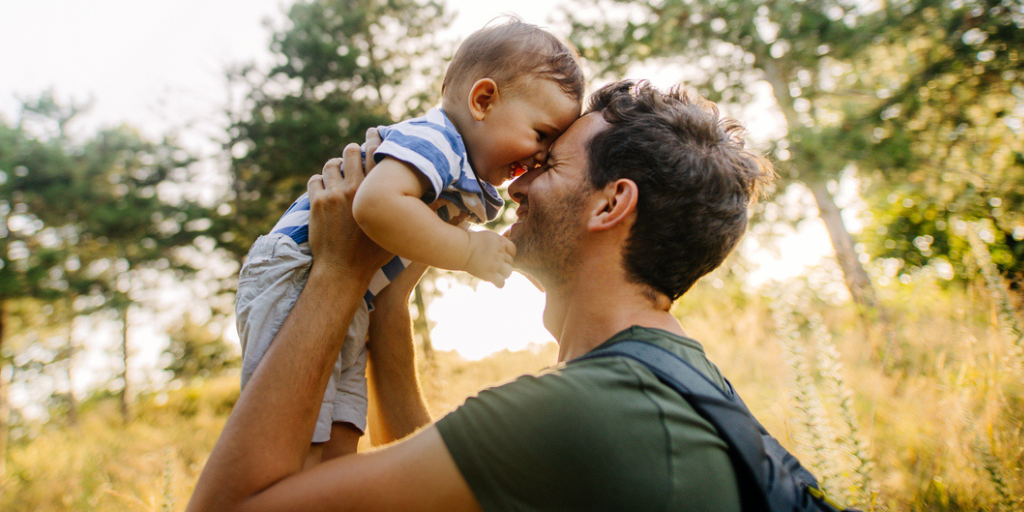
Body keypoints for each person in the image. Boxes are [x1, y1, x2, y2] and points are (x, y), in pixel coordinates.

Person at [188, 79, 775, 512]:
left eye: (546, 164)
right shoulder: (684, 382)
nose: (515, 183)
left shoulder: (577, 410)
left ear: (610, 204)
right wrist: (386, 298)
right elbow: (437, 478)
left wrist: (338, 272)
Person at [234, 17, 584, 462]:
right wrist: (468, 249)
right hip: (296, 272)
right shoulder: (435, 140)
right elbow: (375, 204)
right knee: (292, 437)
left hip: (352, 294)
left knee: (342, 434)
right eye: (541, 135)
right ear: (483, 100)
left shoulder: (461, 176)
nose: (539, 157)